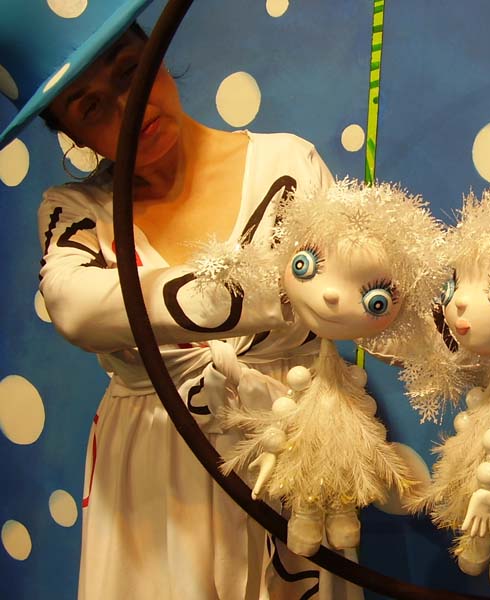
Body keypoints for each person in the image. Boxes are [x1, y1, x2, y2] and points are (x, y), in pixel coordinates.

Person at [1, 2, 361, 599]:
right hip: (152, 482)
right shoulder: (76, 214)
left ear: (157, 54)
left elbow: (356, 292)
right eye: (91, 107)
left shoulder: (287, 164)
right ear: (71, 136)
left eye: (130, 70)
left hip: (290, 456)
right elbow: (77, 308)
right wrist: (282, 290)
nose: (129, 107)